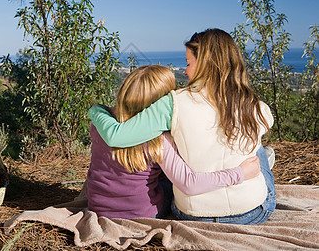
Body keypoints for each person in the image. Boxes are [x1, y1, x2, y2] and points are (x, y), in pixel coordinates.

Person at [88, 29, 276, 224]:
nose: (185, 71)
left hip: (192, 214)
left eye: (188, 64)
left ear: (205, 64)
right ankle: (260, 164)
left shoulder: (174, 104)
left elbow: (116, 135)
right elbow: (267, 121)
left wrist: (95, 110)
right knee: (257, 147)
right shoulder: (257, 107)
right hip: (250, 213)